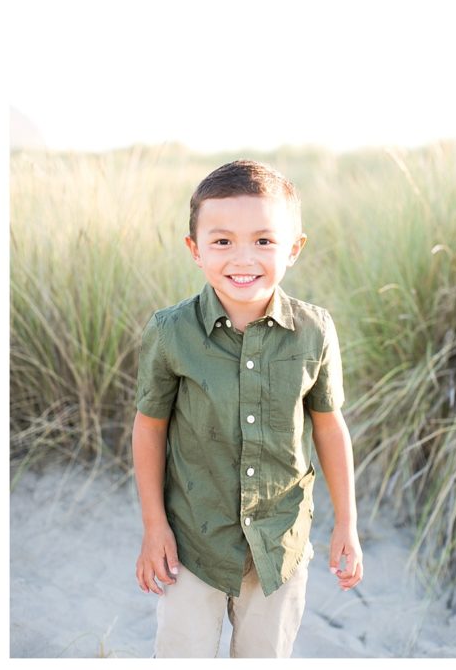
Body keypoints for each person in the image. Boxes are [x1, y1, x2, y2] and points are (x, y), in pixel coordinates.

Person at [132, 159, 363, 656]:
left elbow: (328, 426)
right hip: (193, 542)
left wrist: (347, 522)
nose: (243, 258)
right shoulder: (171, 332)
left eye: (263, 240)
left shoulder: (314, 330)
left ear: (294, 248)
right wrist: (154, 527)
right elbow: (149, 428)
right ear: (195, 249)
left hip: (279, 544)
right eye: (222, 241)